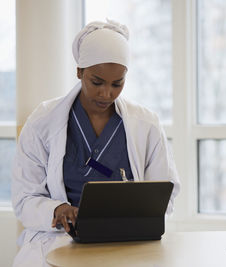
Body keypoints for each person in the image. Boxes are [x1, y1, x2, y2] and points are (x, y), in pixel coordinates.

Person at [11, 19, 180, 267]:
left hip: (127, 242)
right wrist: (57, 210)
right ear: (79, 71)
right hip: (60, 239)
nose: (106, 94)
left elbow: (165, 193)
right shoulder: (43, 121)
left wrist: (135, 215)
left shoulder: (146, 124)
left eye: (117, 84)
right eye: (97, 82)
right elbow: (24, 199)